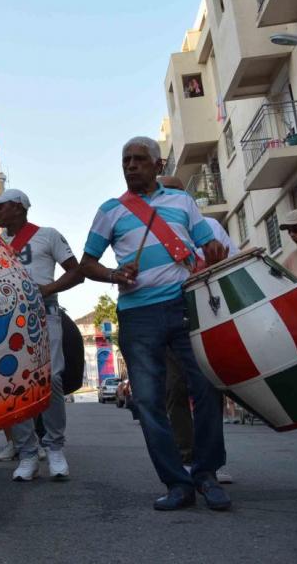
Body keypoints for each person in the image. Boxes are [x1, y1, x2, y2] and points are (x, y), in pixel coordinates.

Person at [79, 136, 230, 511]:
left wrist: (212, 252)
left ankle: (206, 473)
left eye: (139, 159)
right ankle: (177, 483)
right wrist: (115, 275)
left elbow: (207, 247)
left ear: (158, 165)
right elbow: (87, 264)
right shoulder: (110, 210)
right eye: (126, 159)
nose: (131, 165)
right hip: (138, 314)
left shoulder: (182, 202)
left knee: (207, 387)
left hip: (185, 305)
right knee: (148, 401)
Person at [0, 189, 84, 482]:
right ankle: (28, 453)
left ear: (18, 208)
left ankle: (55, 447)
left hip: (45, 311)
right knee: (15, 384)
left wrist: (48, 289)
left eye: (1, 206)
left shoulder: (48, 235)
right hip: (6, 318)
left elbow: (76, 271)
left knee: (53, 377)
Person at [157, 175, 234, 484]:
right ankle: (186, 457)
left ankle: (212, 462)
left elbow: (229, 263)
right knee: (174, 389)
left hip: (208, 316)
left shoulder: (211, 227)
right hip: (167, 317)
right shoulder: (148, 230)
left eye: (174, 192)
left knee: (208, 390)